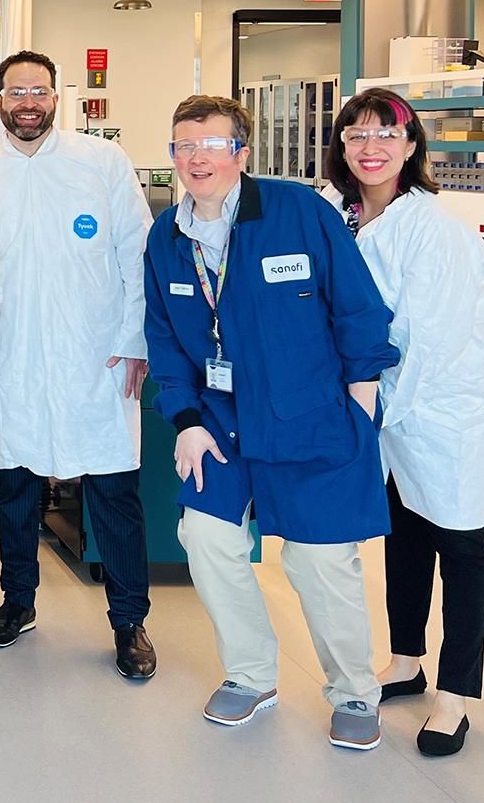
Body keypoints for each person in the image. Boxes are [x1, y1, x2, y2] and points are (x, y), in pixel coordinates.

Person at [142, 94, 398, 751]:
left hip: (311, 417)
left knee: (319, 561)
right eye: (184, 146)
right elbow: (165, 340)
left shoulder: (297, 212)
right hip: (222, 424)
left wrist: (360, 408)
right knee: (204, 536)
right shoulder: (167, 237)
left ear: (241, 153)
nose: (197, 159)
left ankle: (353, 692)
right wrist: (187, 421)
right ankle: (252, 674)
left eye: (213, 145)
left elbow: (359, 311)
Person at [0, 50, 157, 679]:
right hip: (13, 357)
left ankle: (130, 621)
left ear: (56, 97)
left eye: (38, 92)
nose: (28, 103)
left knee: (113, 493)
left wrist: (134, 340)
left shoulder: (100, 163)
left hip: (95, 357)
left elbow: (137, 254)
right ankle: (18, 601)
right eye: (16, 93)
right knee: (15, 488)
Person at [323, 88, 484, 757]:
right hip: (382, 408)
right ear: (340, 146)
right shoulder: (341, 214)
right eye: (357, 135)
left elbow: (432, 342)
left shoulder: (436, 230)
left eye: (386, 135)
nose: (371, 147)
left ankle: (453, 696)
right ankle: (405, 660)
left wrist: (368, 413)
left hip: (442, 410)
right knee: (403, 533)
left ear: (411, 145)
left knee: (459, 543)